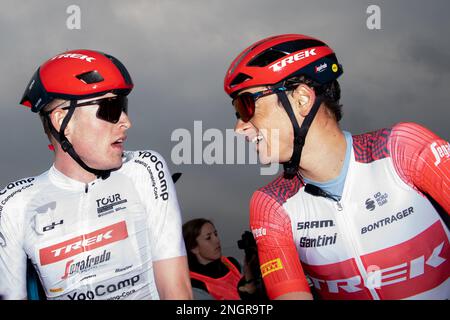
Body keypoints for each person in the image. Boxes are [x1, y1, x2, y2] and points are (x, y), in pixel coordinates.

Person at [223, 34, 449, 300]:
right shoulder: (271, 205)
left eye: (246, 105)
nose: (239, 128)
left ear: (302, 99)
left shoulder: (402, 149)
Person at [0, 49, 192, 300]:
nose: (125, 121)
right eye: (110, 109)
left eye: (123, 107)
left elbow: (176, 291)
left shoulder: (143, 169)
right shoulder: (13, 204)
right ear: (62, 121)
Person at [182, 218, 263, 300]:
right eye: (208, 238)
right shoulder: (194, 284)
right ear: (194, 248)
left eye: (216, 234)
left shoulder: (232, 263)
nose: (217, 240)